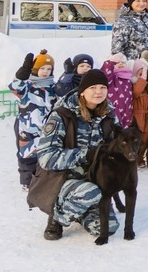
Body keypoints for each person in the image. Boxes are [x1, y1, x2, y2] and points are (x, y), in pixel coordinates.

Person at [32, 68, 118, 241]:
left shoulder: (109, 115)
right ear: (82, 91)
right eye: (93, 88)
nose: (98, 92)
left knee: (107, 227)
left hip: (93, 178)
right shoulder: (62, 116)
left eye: (102, 87)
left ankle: (78, 210)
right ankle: (57, 216)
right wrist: (85, 155)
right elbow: (46, 157)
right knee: (90, 193)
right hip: (60, 179)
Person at [10, 51, 57, 189]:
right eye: (42, 68)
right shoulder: (28, 86)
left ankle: (44, 180)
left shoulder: (53, 87)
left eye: (49, 69)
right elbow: (15, 88)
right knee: (27, 155)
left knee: (46, 154)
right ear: (35, 69)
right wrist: (21, 74)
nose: (45, 72)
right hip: (27, 127)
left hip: (48, 128)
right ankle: (27, 181)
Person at [101, 53, 133, 129]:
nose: (121, 63)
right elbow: (106, 73)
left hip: (127, 112)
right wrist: (111, 62)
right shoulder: (112, 77)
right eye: (117, 63)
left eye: (123, 62)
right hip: (114, 112)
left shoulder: (129, 78)